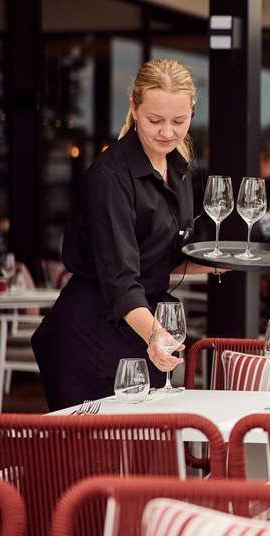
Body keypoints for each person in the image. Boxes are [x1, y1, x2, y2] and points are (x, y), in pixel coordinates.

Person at [31, 59, 218, 411]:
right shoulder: (111, 176)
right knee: (97, 445)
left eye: (179, 121)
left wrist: (220, 262)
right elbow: (120, 276)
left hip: (142, 328)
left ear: (192, 111)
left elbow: (161, 259)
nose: (167, 132)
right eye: (155, 120)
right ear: (134, 108)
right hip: (91, 333)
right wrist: (155, 335)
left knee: (142, 442)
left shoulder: (177, 170)